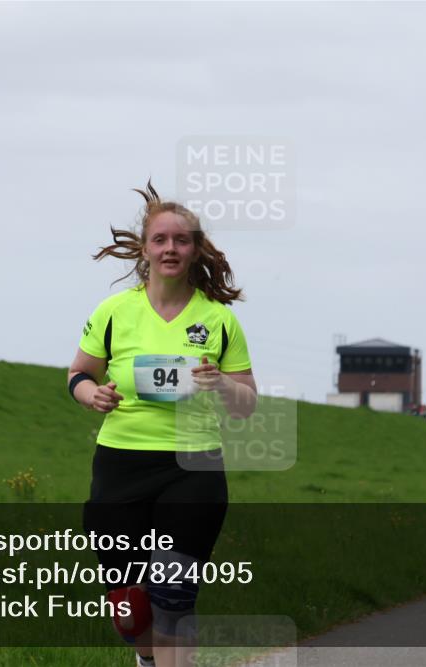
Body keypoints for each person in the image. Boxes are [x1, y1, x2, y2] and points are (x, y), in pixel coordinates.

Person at [68, 181, 257, 667]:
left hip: (192, 466)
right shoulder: (114, 312)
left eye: (182, 240)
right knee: (130, 608)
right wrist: (95, 395)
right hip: (120, 464)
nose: (171, 248)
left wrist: (220, 385)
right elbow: (78, 375)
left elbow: (247, 403)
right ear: (145, 249)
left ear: (196, 251)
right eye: (160, 239)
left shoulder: (219, 320)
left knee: (175, 595)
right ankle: (147, 658)